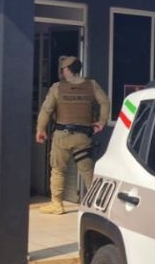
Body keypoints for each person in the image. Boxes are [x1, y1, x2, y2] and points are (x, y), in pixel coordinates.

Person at [35, 55, 109, 214]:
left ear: (67, 70)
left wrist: (40, 129)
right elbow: (105, 102)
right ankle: (96, 204)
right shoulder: (92, 85)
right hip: (83, 136)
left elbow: (46, 110)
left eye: (63, 69)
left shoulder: (57, 87)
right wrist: (101, 122)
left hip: (62, 135)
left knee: (58, 169)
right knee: (87, 170)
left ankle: (57, 204)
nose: (62, 72)